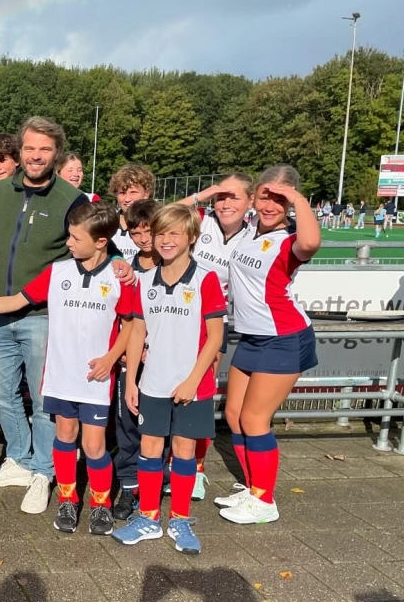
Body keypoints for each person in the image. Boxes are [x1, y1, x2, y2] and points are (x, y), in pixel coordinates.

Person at [0, 116, 133, 514]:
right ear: (20, 150)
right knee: (2, 395)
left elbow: (97, 237)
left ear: (55, 153)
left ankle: (44, 471)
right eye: (29, 148)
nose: (35, 156)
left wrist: (118, 262)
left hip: (43, 314)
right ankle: (21, 460)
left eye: (44, 149)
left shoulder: (72, 198)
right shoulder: (2, 188)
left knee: (45, 401)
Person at [0, 200, 135, 535]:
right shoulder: (58, 271)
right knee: (65, 436)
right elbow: (16, 300)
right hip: (61, 375)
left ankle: (100, 504)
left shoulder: (119, 276)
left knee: (94, 446)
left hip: (96, 377)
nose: (68, 243)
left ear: (100, 242)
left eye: (75, 238)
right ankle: (67, 498)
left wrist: (110, 358)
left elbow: (132, 325)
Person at [113, 203, 225, 555]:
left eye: (174, 233)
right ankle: (148, 517)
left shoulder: (205, 278)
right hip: (153, 383)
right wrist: (131, 380)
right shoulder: (143, 280)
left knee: (183, 451)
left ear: (192, 237)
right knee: (149, 449)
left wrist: (193, 379)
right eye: (161, 233)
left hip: (193, 384)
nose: (165, 240)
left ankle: (179, 517)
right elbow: (136, 333)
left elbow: (216, 338)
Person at [218, 165, 320, 524]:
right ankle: (251, 486)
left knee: (254, 419)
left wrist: (296, 199)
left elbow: (310, 243)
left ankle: (265, 502)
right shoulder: (247, 230)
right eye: (266, 195)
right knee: (233, 415)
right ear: (255, 195)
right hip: (253, 337)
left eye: (281, 198)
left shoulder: (289, 241)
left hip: (284, 338)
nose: (271, 204)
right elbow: (208, 210)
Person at [181, 174, 253, 497]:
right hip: (176, 315)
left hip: (213, 323)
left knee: (202, 395)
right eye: (221, 197)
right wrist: (205, 193)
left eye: (234, 197)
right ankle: (172, 459)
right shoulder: (201, 218)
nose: (225, 203)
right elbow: (161, 215)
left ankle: (196, 468)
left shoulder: (253, 237)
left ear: (249, 202)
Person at [111, 199, 160, 520]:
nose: (143, 238)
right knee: (127, 425)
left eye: (148, 231)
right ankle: (129, 487)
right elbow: (122, 318)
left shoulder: (179, 266)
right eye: (135, 232)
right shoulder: (126, 268)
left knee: (157, 427)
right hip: (131, 359)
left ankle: (155, 483)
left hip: (165, 361)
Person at [108, 164, 155, 261]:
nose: (127, 199)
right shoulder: (107, 222)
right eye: (122, 193)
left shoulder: (157, 221)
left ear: (146, 193)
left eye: (133, 192)